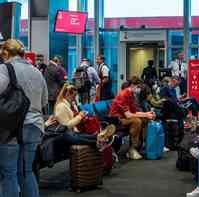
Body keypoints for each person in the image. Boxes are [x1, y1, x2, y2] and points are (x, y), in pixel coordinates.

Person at [0, 39, 48, 197]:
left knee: (9, 174)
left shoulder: (3, 69)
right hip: (34, 126)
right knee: (26, 172)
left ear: (6, 53)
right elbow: (44, 101)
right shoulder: (36, 72)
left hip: (10, 129)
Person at [54, 83, 115, 150]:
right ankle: (98, 141)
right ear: (67, 94)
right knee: (76, 137)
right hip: (62, 135)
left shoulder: (66, 105)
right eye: (73, 96)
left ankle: (99, 137)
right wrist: (80, 116)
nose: (74, 99)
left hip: (68, 132)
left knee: (81, 135)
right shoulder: (61, 106)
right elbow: (66, 126)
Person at [109, 77, 156, 160]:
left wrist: (147, 114)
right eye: (138, 87)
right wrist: (145, 115)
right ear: (132, 85)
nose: (139, 89)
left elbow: (134, 112)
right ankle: (132, 149)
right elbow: (128, 115)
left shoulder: (131, 95)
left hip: (124, 118)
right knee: (137, 121)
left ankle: (142, 144)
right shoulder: (123, 95)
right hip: (117, 120)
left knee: (145, 119)